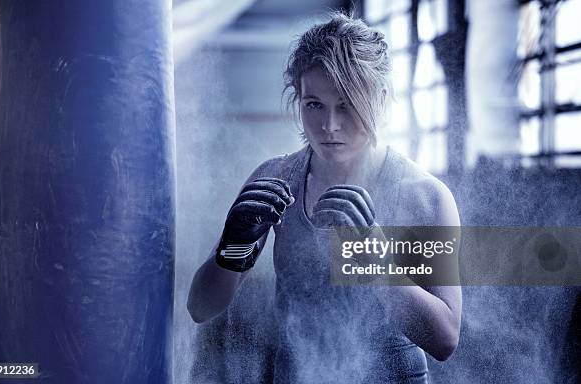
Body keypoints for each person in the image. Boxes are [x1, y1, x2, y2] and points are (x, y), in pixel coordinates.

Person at [187, 11, 461, 383]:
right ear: (297, 98)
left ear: (379, 99)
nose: (329, 125)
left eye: (346, 104)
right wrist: (232, 250)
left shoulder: (424, 197)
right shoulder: (277, 178)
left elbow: (445, 339)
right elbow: (201, 308)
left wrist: (379, 265)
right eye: (314, 104)